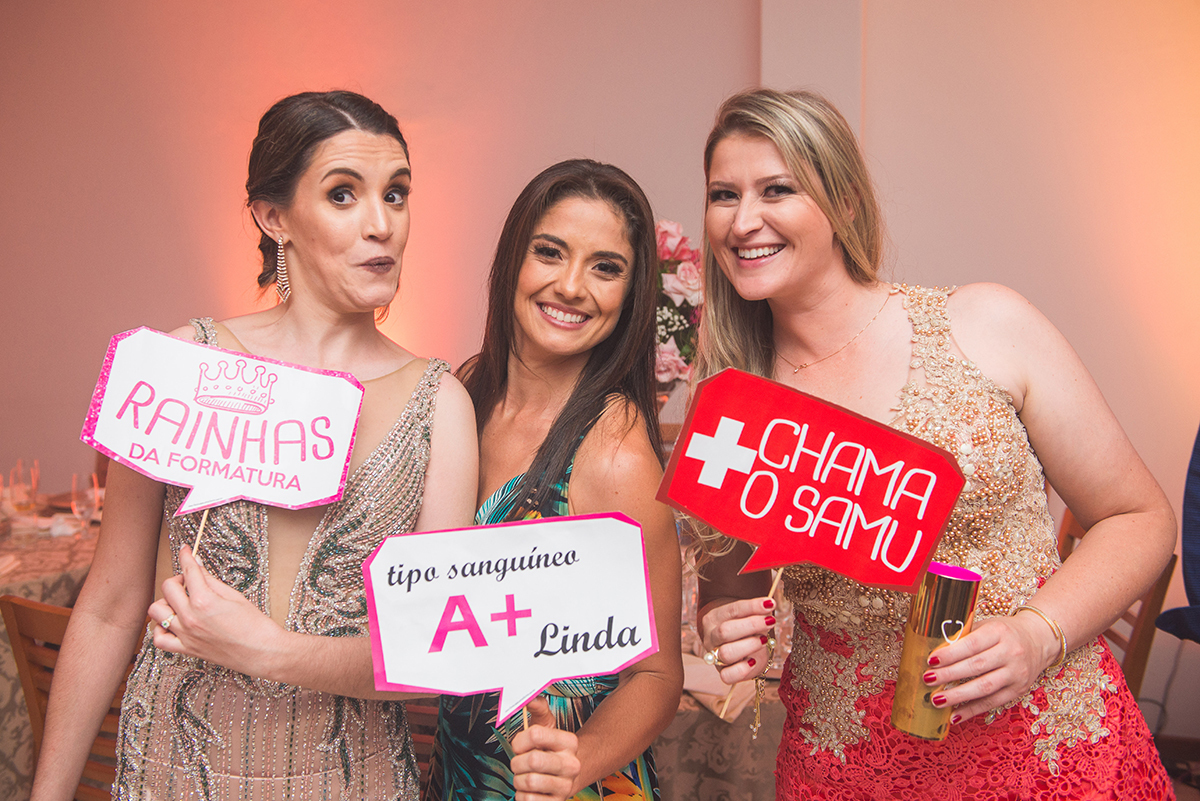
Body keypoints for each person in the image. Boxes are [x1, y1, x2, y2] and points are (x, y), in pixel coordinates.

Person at [693, 89, 1177, 799]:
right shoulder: (736, 403)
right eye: (722, 195)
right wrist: (723, 624)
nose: (743, 221)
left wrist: (1038, 634)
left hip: (1045, 746)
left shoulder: (984, 323)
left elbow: (1141, 517)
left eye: (777, 189)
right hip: (848, 768)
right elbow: (727, 585)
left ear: (847, 201)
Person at [31, 90, 478, 801]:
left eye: (396, 195)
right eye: (343, 194)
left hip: (350, 783)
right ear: (274, 217)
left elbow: (431, 656)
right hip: (174, 772)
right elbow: (111, 602)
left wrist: (267, 650)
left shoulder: (440, 405)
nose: (381, 224)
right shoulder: (183, 361)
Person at [425, 160, 683, 801]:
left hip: (571, 787)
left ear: (631, 293)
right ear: (513, 258)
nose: (571, 286)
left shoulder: (613, 453)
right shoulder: (465, 394)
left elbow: (656, 674)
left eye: (605, 267)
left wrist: (580, 759)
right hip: (460, 773)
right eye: (550, 253)